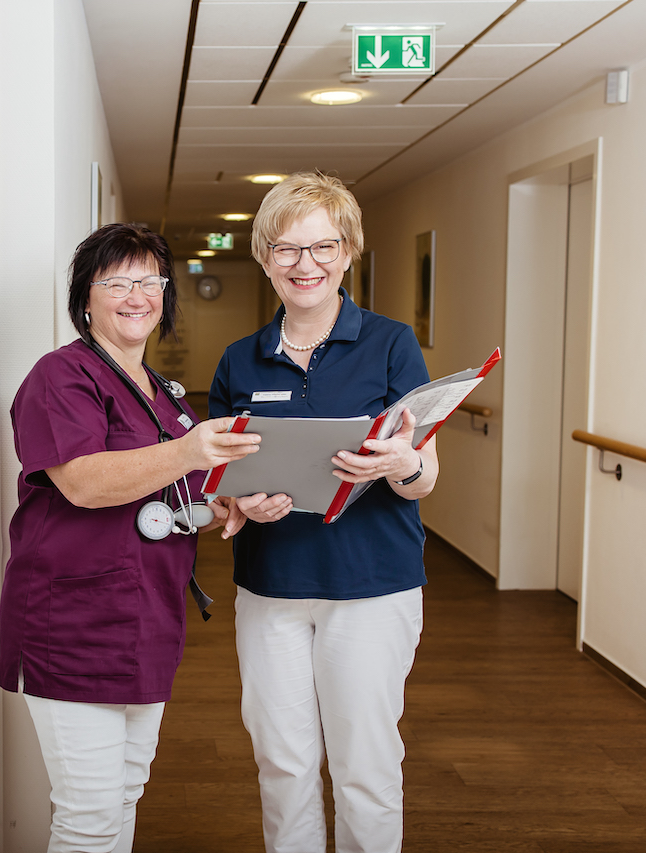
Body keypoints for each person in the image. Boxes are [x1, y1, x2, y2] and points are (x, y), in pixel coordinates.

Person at [0, 222, 261, 853]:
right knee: (88, 815)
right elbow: (84, 483)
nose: (136, 294)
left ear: (166, 297)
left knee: (123, 795)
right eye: (117, 281)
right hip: (74, 623)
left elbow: (172, 494)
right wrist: (190, 450)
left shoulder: (164, 393)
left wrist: (221, 505)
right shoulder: (60, 377)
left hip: (145, 619)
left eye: (150, 281)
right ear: (86, 298)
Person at [208, 172, 439, 853]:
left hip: (371, 586)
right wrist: (238, 501)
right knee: (282, 763)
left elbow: (424, 476)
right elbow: (222, 482)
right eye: (286, 248)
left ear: (347, 252)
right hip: (272, 588)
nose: (304, 264)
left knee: (365, 766)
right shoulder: (238, 359)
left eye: (322, 246)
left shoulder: (392, 345)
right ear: (265, 256)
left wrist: (402, 464)